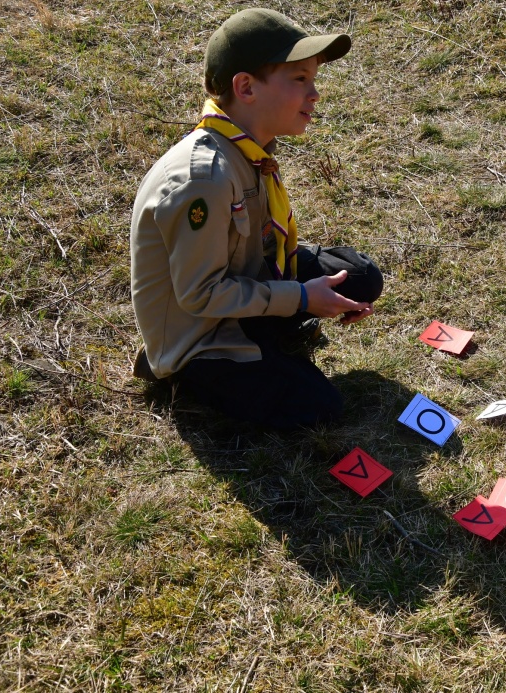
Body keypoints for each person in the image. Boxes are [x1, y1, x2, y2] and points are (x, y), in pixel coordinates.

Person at [130, 8, 383, 429]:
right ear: (246, 87)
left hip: (249, 276)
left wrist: (304, 291)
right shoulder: (204, 179)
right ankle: (192, 375)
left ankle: (273, 332)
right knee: (317, 408)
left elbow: (261, 242)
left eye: (313, 79)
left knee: (360, 277)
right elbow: (200, 296)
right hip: (203, 331)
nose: (315, 94)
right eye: (299, 79)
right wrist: (301, 298)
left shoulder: (247, 147)